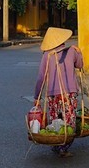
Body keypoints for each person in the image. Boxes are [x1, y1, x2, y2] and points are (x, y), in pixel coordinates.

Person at [34, 27, 83, 158]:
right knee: (69, 120)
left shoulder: (46, 55)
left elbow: (41, 77)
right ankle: (64, 147)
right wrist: (79, 52)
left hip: (53, 94)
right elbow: (80, 65)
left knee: (56, 120)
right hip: (69, 93)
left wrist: (36, 97)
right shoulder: (72, 51)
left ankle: (57, 145)